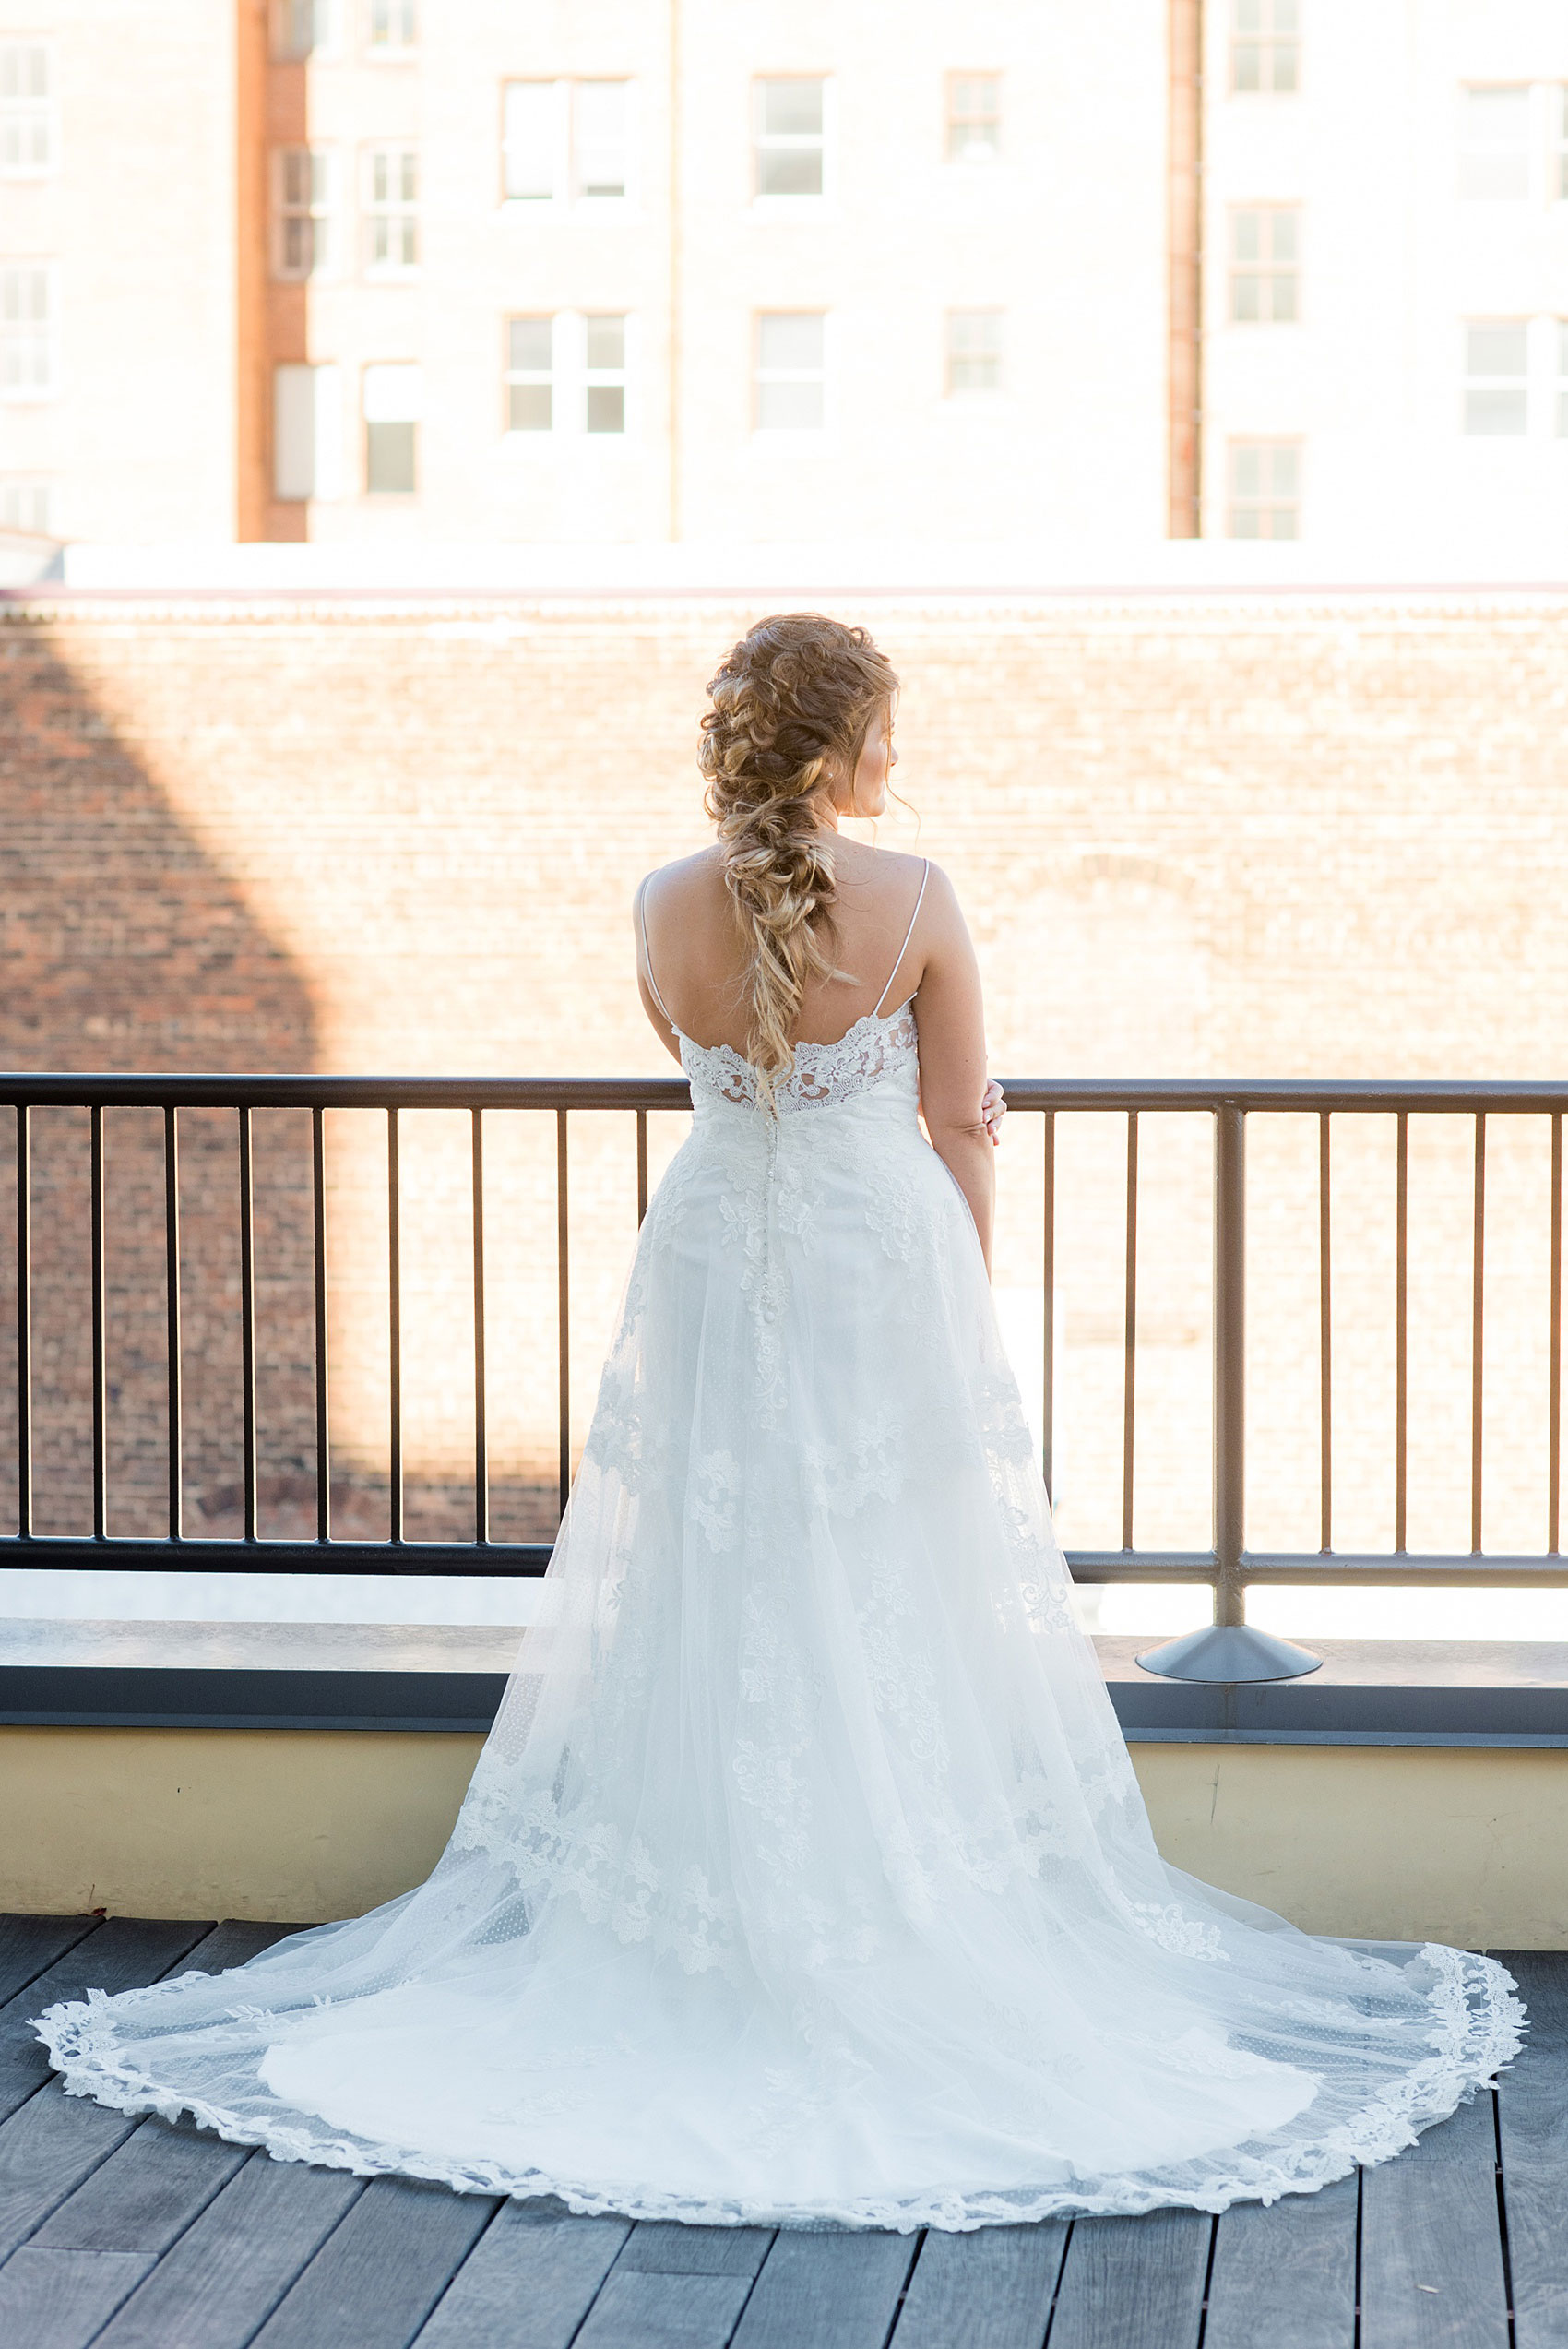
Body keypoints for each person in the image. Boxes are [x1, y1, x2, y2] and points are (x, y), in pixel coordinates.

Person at [38, 614, 1522, 2232]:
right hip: (875, 1265)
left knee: (717, 1569)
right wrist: (968, 1291)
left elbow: (694, 1059)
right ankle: (886, 1902)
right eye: (885, 729)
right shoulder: (922, 898)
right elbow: (962, 1120)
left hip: (711, 1253)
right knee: (895, 1573)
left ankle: (725, 1910)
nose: (901, 759)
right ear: (835, 746)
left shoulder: (659, 904)